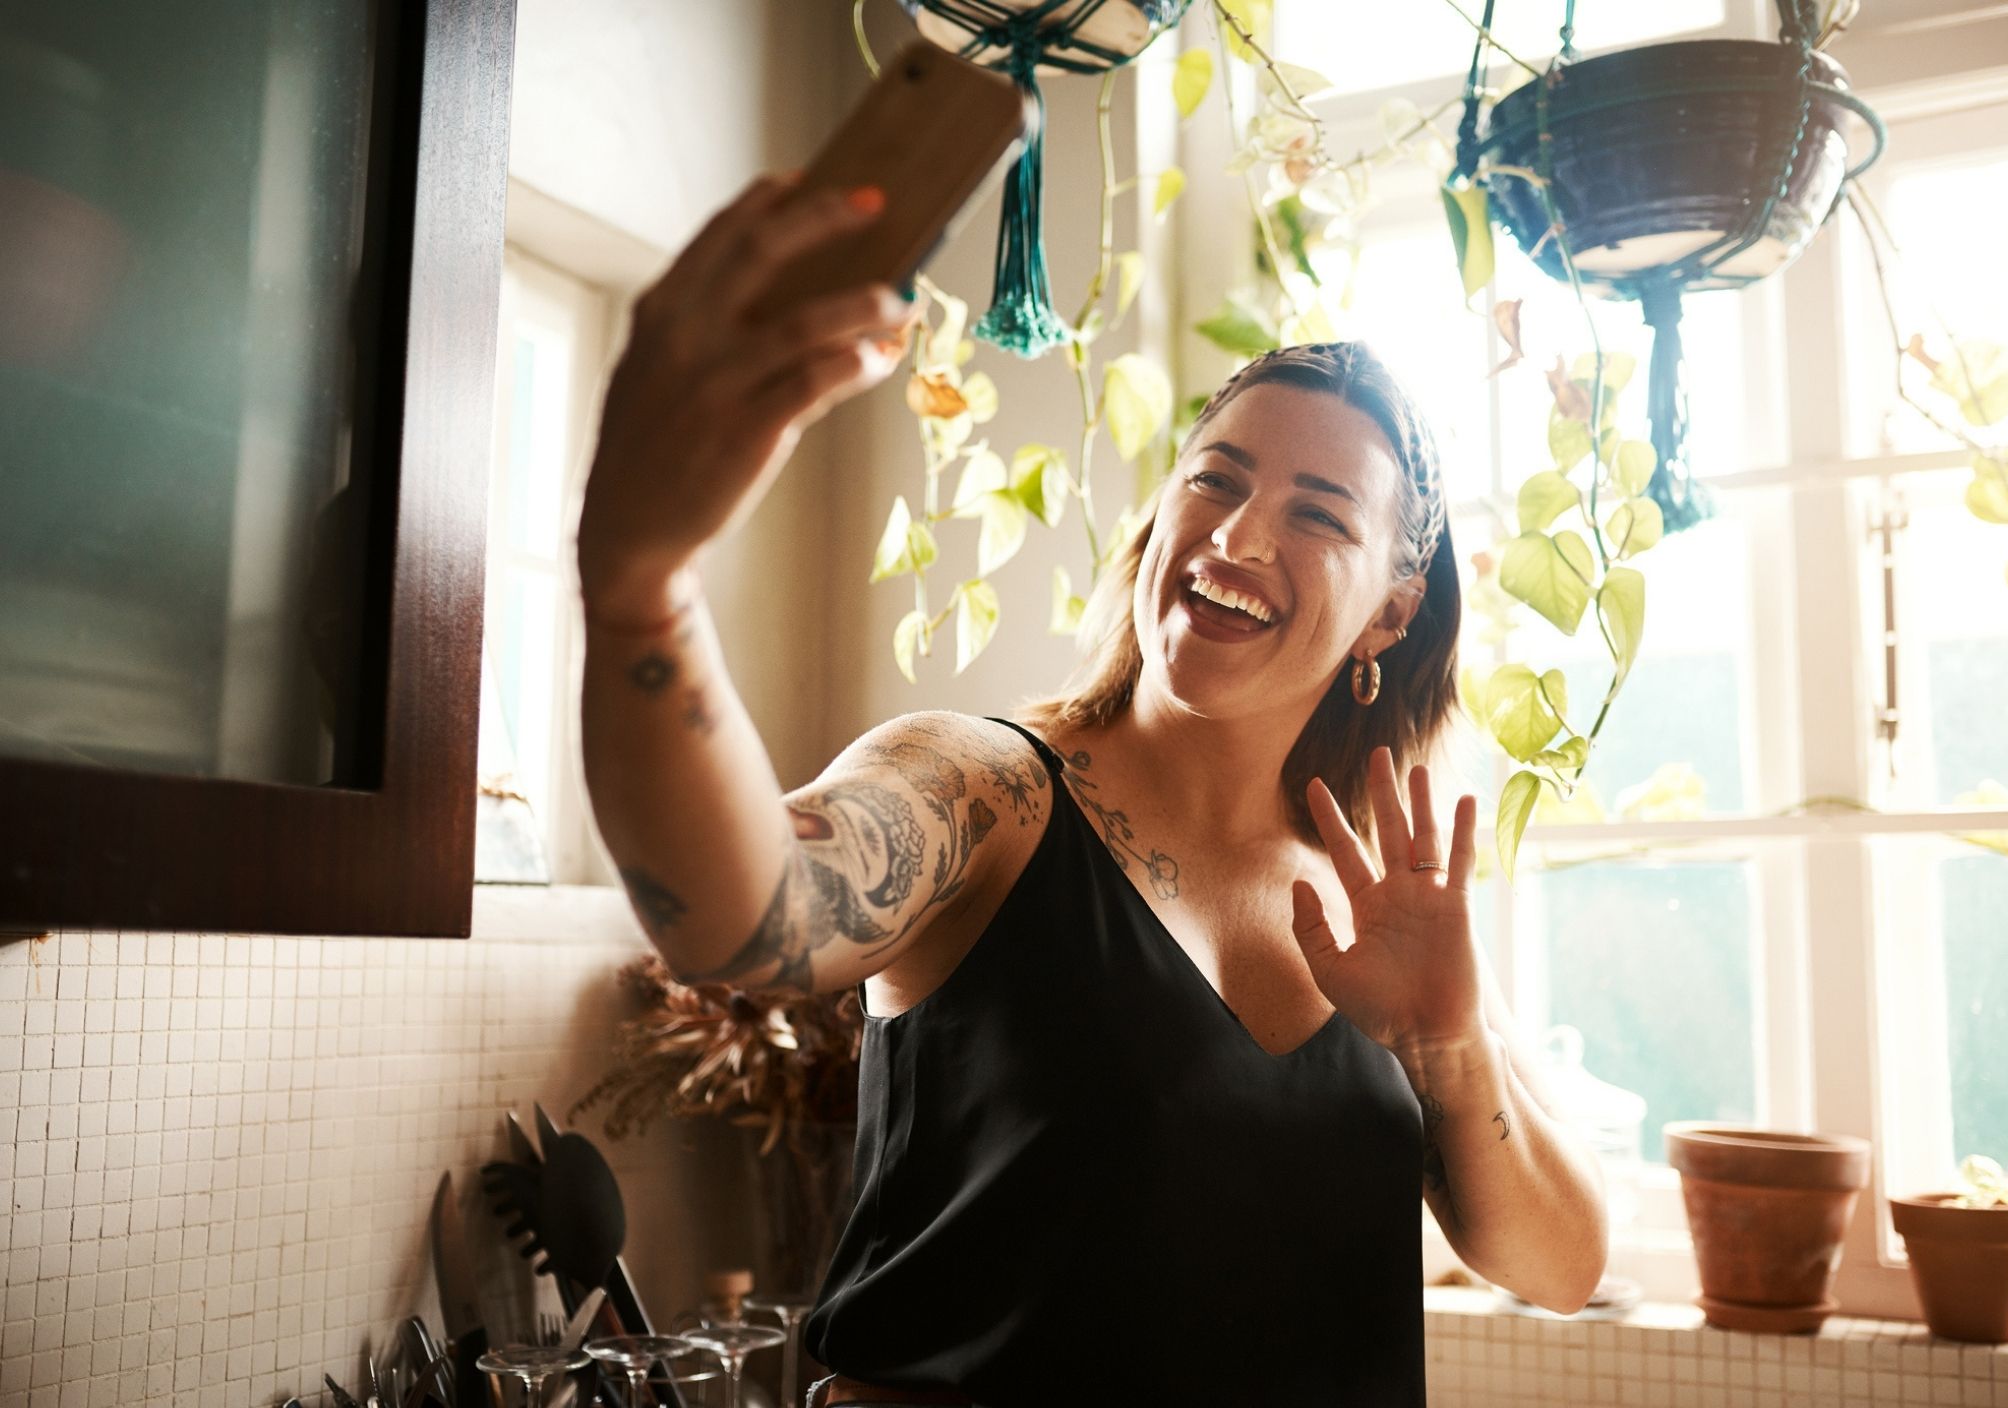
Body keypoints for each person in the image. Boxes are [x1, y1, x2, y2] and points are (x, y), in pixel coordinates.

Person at [575, 173, 1608, 1406]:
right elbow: (748, 918)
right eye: (1215, 478)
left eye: (1318, 514)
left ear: (1390, 610)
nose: (1236, 537)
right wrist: (644, 590)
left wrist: (1446, 1044)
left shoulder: (1379, 898)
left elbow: (1558, 1265)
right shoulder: (989, 795)